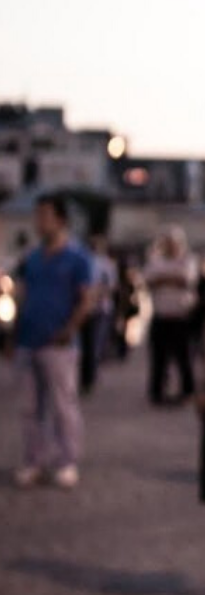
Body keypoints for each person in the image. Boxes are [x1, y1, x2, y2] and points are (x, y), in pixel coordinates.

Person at [10, 195, 95, 489]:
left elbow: (86, 299)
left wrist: (69, 330)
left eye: (45, 216)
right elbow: (21, 296)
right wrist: (13, 334)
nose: (39, 222)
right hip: (28, 340)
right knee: (30, 408)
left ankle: (66, 460)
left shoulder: (77, 258)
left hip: (58, 344)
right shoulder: (32, 258)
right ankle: (34, 460)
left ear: (61, 220)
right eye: (37, 215)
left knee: (62, 405)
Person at [142, 225, 199, 404]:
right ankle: (157, 391)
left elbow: (186, 280)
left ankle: (187, 391)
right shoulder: (156, 261)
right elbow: (149, 281)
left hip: (180, 317)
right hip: (161, 316)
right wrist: (170, 279)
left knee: (184, 358)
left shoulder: (188, 260)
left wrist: (163, 279)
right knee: (159, 358)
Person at [79, 235, 117, 395]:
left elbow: (110, 286)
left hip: (100, 309)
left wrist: (95, 295)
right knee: (87, 345)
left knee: (94, 345)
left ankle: (90, 376)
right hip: (87, 309)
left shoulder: (106, 264)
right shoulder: (85, 261)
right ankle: (86, 377)